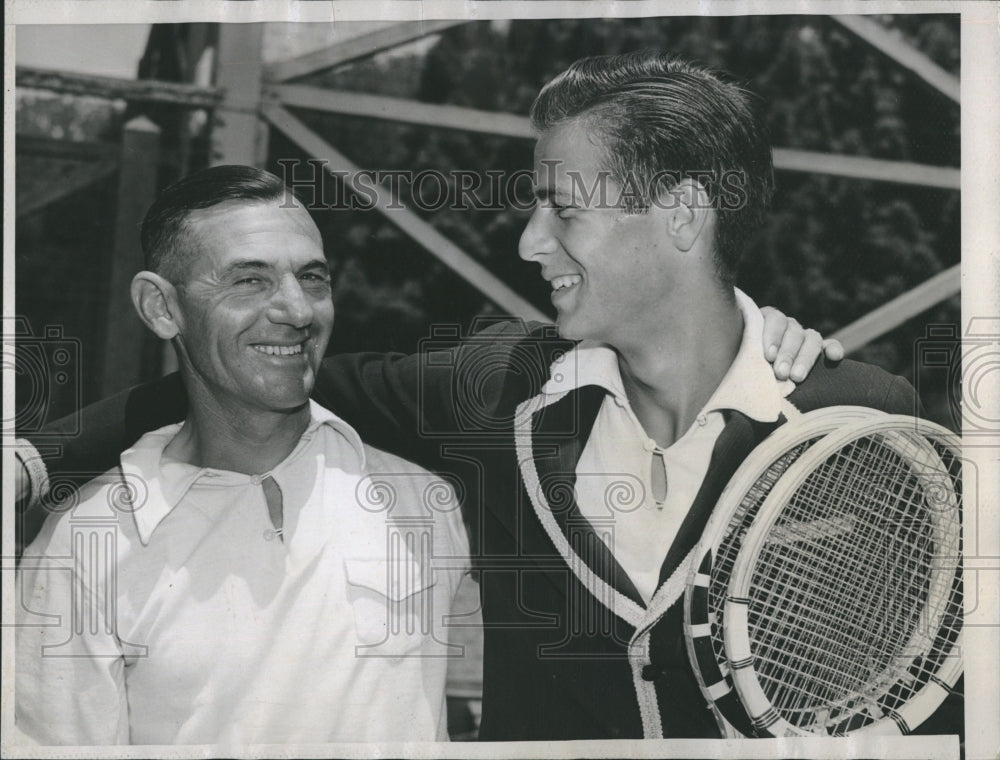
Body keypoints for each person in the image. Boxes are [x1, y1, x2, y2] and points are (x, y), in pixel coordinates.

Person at [13, 54, 897, 742]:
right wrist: (37, 455)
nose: (527, 240)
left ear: (682, 217)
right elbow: (247, 379)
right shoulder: (492, 391)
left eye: (562, 208)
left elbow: (918, 699)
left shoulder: (861, 422)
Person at [15, 166, 471, 746]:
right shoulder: (85, 542)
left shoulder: (422, 496)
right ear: (161, 307)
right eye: (250, 281)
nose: (298, 310)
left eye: (312, 278)